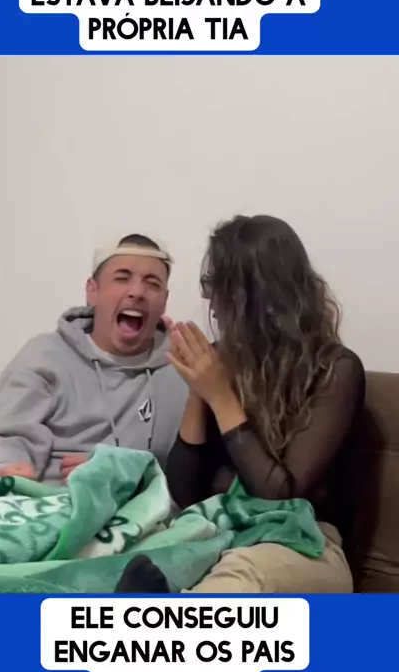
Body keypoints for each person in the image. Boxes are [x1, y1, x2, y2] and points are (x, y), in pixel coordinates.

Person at [116, 215, 365, 594]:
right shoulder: (223, 361)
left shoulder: (336, 369)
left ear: (257, 291)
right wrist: (198, 390)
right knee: (137, 553)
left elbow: (281, 496)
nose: (209, 299)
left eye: (218, 284)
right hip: (223, 532)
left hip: (306, 544)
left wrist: (220, 396)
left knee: (241, 573)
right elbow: (185, 493)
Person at [0, 233, 188, 484]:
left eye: (152, 284)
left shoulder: (184, 368)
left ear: (164, 300)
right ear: (93, 291)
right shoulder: (45, 356)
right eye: (122, 278)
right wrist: (8, 468)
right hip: (54, 498)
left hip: (145, 503)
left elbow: (195, 473)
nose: (137, 292)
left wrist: (127, 475)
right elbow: (5, 437)